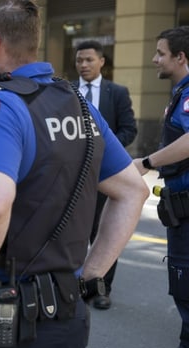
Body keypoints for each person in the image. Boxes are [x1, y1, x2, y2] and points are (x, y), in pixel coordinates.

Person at [0, 1, 148, 348]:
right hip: (66, 317)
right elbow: (132, 190)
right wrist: (89, 275)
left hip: (5, 318)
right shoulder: (77, 103)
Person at [133, 25, 189, 348]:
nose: (155, 59)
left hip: (186, 204)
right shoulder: (180, 92)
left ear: (181, 57)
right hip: (179, 202)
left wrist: (147, 161)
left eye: (160, 53)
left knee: (185, 279)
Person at [73, 40, 138, 310]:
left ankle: (101, 288)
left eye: (89, 59)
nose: (84, 65)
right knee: (75, 230)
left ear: (101, 62)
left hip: (106, 174)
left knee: (104, 230)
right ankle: (72, 285)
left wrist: (105, 152)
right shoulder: (65, 92)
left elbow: (128, 129)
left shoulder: (117, 93)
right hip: (73, 175)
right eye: (79, 60)